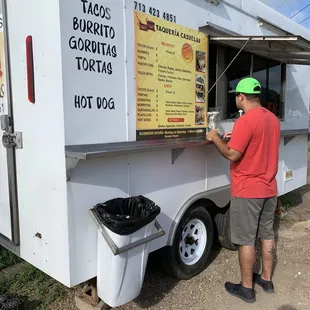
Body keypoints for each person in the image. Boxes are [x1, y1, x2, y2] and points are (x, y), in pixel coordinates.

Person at [206, 77, 280, 303]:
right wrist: (232, 138)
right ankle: (266, 279)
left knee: (246, 240)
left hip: (248, 190)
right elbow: (256, 143)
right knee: (267, 234)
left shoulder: (245, 121)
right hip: (269, 188)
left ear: (241, 96)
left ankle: (247, 288)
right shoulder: (273, 119)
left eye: (235, 96)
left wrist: (215, 137)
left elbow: (232, 155)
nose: (235, 99)